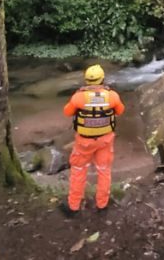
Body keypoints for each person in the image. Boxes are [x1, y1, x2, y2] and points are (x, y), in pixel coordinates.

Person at [60, 64, 125, 217]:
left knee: (78, 171)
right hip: (105, 141)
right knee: (104, 171)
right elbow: (120, 111)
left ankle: (73, 207)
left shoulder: (78, 97)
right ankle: (102, 205)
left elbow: (67, 112)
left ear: (87, 80)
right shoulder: (112, 96)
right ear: (102, 79)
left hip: (84, 142)